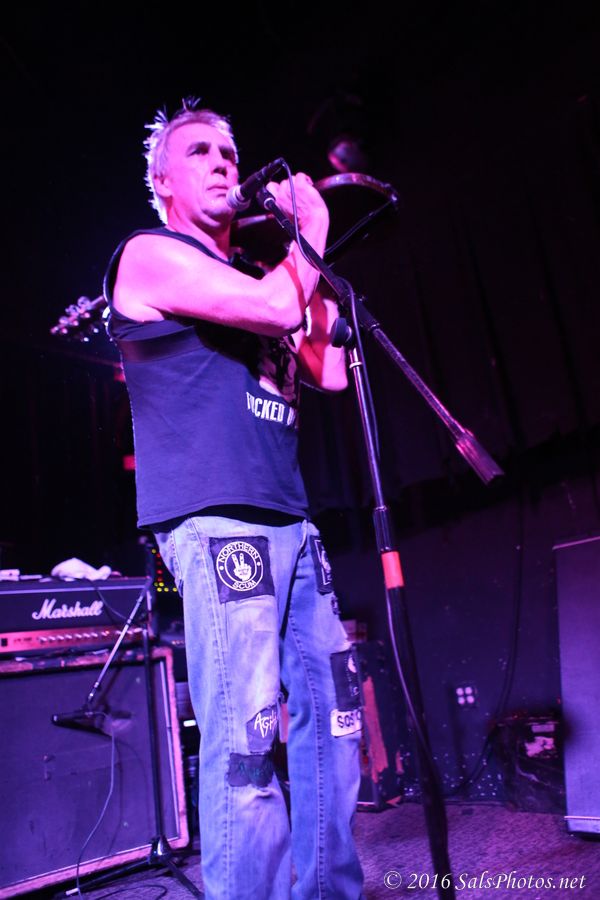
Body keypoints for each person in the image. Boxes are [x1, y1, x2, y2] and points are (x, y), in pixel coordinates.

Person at [103, 98, 364, 899]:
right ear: (162, 181)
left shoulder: (260, 272)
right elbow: (282, 311)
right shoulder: (149, 255)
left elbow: (329, 369)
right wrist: (311, 227)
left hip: (292, 521)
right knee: (248, 746)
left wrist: (296, 248)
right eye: (200, 152)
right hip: (217, 524)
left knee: (336, 724)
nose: (223, 162)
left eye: (230, 152)